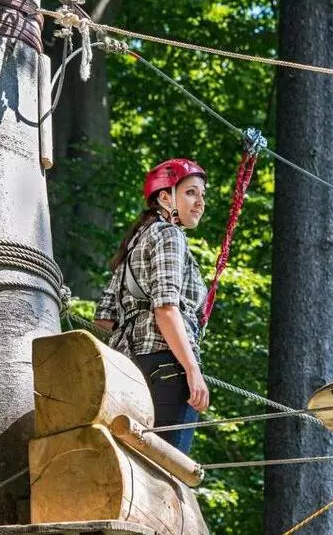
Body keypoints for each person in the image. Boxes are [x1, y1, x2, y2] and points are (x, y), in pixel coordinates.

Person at [94, 158, 210, 454]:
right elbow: (166, 308)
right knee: (168, 475)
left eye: (202, 195)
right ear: (165, 197)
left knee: (135, 471)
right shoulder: (170, 235)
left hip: (127, 371)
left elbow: (105, 320)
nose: (200, 202)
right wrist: (192, 370)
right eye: (191, 193)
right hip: (168, 369)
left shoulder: (133, 244)